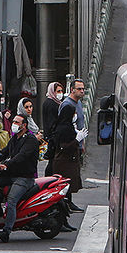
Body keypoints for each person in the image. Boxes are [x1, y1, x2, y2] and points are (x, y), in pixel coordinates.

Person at [0, 112, 52, 242]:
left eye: (16, 122)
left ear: (24, 125)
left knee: (12, 200)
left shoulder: (30, 140)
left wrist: (5, 164)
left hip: (24, 178)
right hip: (11, 175)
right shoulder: (15, 138)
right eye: (13, 122)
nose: (13, 124)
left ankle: (6, 231)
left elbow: (21, 157)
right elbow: (5, 152)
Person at [50, 80, 88, 212]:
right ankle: (65, 205)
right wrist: (76, 139)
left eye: (83, 89)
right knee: (66, 178)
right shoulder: (67, 105)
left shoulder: (78, 103)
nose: (82, 91)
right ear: (72, 89)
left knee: (71, 177)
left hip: (75, 147)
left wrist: (80, 142)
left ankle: (68, 203)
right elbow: (64, 142)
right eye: (79, 89)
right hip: (66, 153)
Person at [40, 82, 64, 174]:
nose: (60, 93)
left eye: (61, 91)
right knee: (53, 162)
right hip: (53, 138)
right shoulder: (51, 104)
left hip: (52, 137)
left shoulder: (53, 102)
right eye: (58, 91)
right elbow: (51, 123)